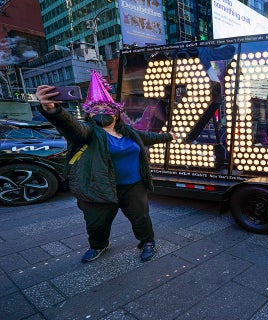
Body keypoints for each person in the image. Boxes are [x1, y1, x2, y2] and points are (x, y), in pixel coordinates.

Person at [34, 70, 175, 263]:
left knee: (141, 218)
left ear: (116, 113)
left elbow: (149, 138)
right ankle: (99, 245)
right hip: (98, 187)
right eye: (96, 108)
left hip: (133, 186)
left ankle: (147, 242)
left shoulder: (128, 132)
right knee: (96, 222)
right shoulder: (88, 133)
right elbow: (70, 125)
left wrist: (169, 136)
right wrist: (53, 110)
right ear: (89, 113)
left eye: (106, 108)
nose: (101, 112)